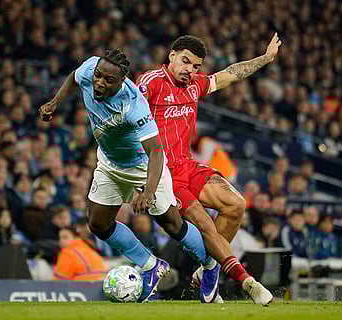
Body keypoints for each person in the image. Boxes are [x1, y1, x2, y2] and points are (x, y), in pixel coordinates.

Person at [38, 49, 257, 303]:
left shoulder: (134, 103)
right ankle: (150, 265)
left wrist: (149, 192)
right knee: (98, 224)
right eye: (98, 76)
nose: (99, 82)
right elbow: (74, 78)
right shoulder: (90, 69)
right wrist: (55, 102)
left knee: (172, 224)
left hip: (143, 166)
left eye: (109, 80)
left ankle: (210, 264)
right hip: (110, 163)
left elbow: (155, 152)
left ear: (122, 82)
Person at [136, 34, 280, 303]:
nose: (190, 70)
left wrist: (265, 59)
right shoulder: (150, 83)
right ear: (172, 56)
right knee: (205, 225)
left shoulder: (194, 86)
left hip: (187, 165)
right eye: (185, 62)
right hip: (163, 174)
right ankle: (241, 279)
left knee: (236, 205)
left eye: (196, 66)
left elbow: (230, 75)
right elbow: (129, 119)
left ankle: (207, 269)